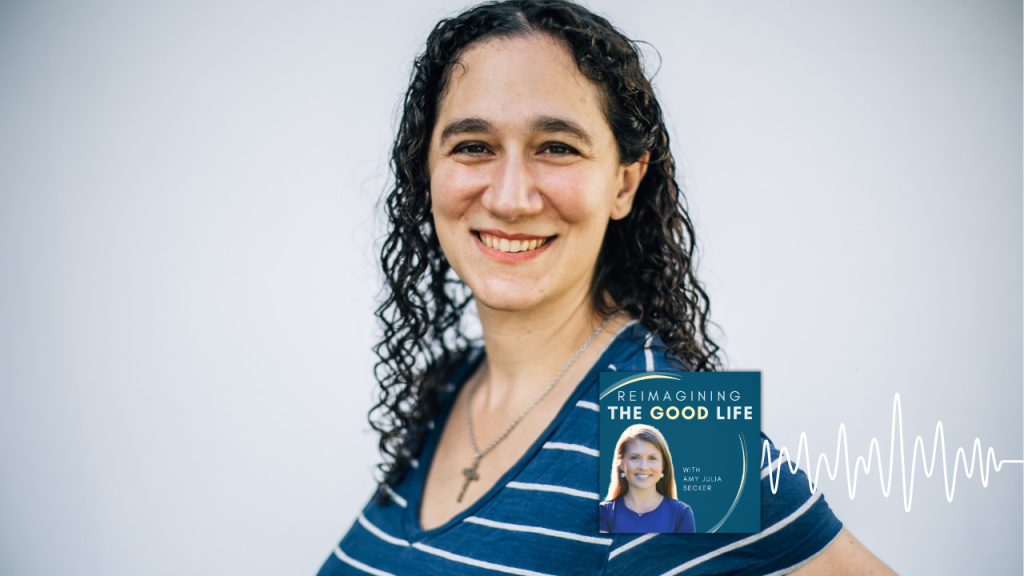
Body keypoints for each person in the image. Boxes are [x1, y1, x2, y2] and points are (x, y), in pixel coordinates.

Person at [318, 1, 897, 574]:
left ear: (624, 183)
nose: (510, 197)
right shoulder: (451, 390)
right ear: (428, 170)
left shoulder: (666, 419)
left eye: (557, 147)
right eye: (473, 146)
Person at [600, 424, 695, 534]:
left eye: (652, 458)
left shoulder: (681, 514)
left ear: (663, 465)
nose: (643, 467)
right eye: (634, 457)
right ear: (621, 464)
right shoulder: (603, 513)